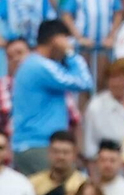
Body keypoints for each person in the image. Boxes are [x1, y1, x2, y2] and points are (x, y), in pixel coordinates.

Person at [12, 21, 95, 175]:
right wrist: (70, 54)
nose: (68, 45)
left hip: (35, 145)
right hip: (38, 145)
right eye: (66, 41)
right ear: (56, 40)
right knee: (62, 194)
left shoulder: (35, 64)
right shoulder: (40, 65)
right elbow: (85, 82)